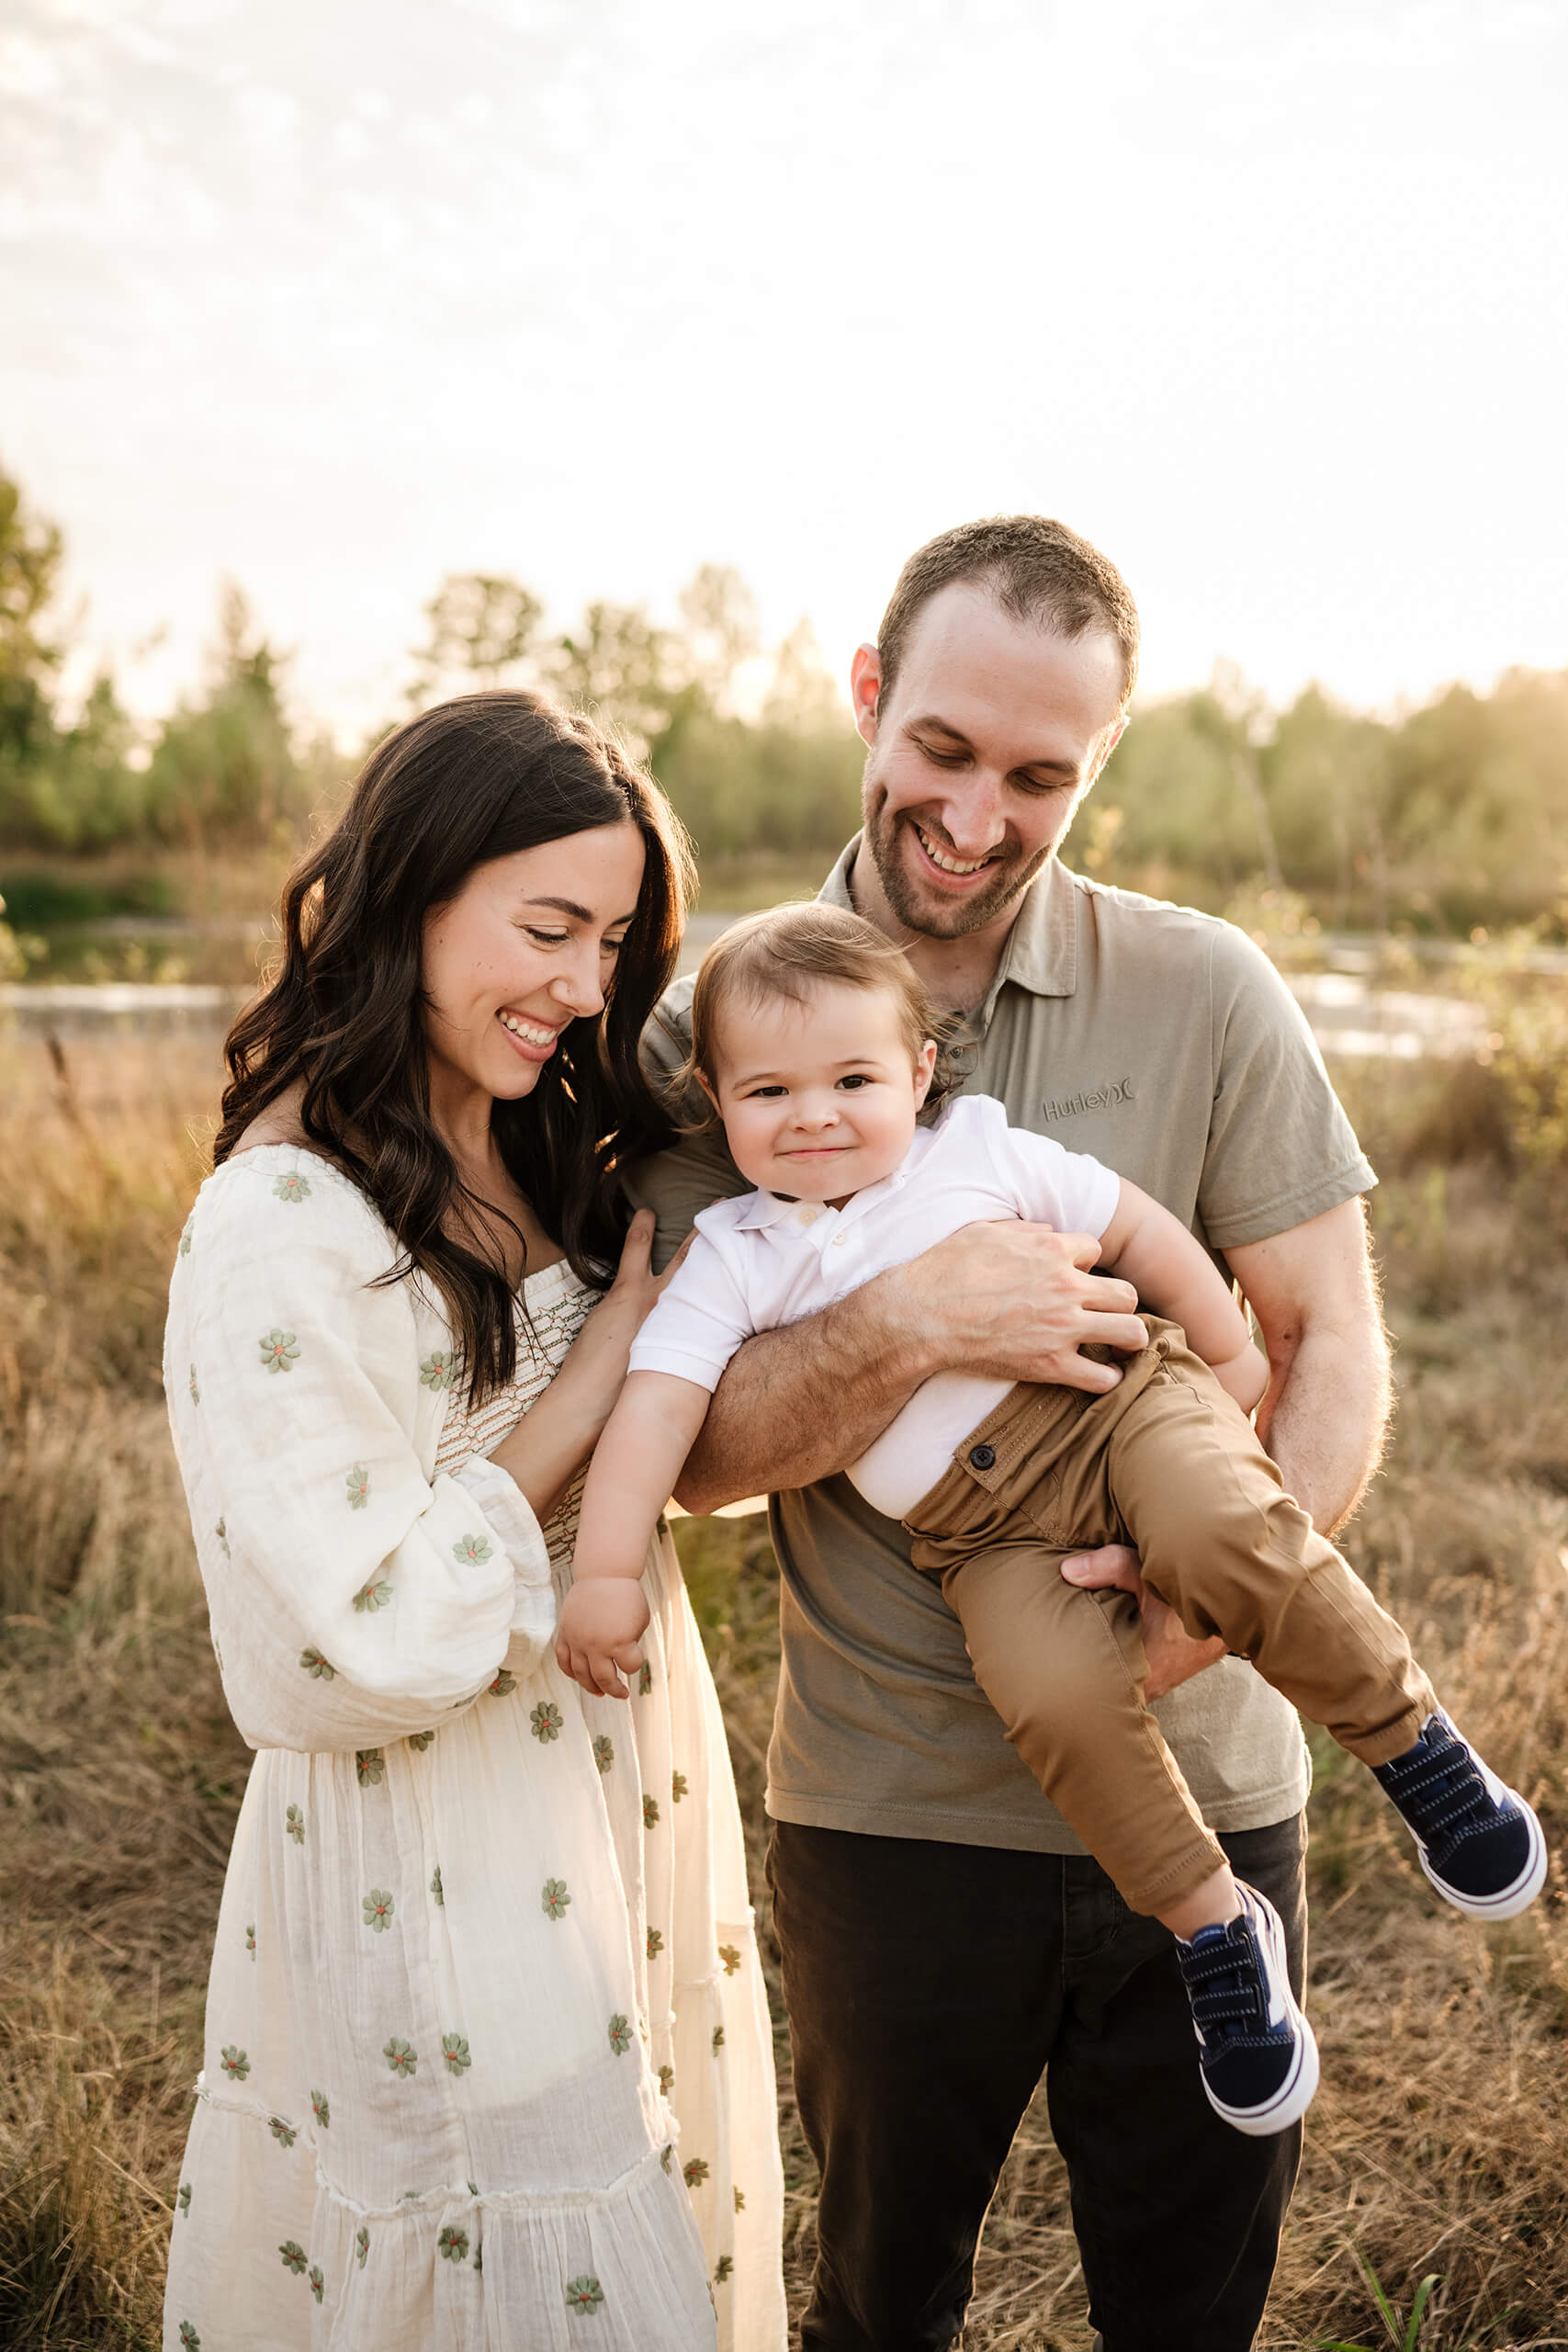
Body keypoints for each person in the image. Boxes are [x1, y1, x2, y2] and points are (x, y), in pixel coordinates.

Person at [620, 514, 1459, 2350]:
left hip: (1214, 1782)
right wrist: (916, 1313)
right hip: (886, 1817)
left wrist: (1213, 1603)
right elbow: (692, 1451)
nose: (977, 817)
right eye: (938, 748)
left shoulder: (1203, 987)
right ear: (865, 691)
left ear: (1098, 765)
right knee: (870, 2307)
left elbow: (1324, 1340)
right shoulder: (724, 1027)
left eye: (1036, 775)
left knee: (1189, 2307)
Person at [558, 900, 1542, 2144]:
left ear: (916, 1074)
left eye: (852, 1078)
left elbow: (1132, 1223)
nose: (813, 1115)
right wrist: (603, 1572)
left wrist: (1233, 1358)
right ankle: (1214, 1928)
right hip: (982, 1538)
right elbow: (657, 1410)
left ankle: (1415, 1746)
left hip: (1123, 1409)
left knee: (1226, 1528)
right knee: (1053, 1695)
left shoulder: (974, 1150)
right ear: (714, 1098)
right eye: (770, 1092)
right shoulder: (739, 1255)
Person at [161, 692, 785, 2352]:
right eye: (547, 928)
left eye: (612, 941)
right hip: (430, 1840)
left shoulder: (539, 1137)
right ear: (415, 892)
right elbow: (325, 1637)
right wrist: (587, 1398)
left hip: (611, 1774)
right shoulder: (283, 1214)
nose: (583, 987)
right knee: (505, 2243)